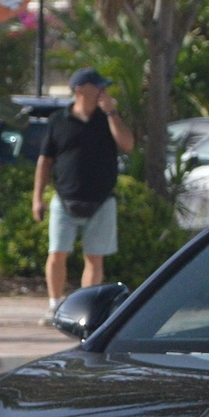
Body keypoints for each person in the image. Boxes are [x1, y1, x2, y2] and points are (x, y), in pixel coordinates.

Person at [32, 68, 135, 303]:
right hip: (64, 198)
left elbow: (127, 144)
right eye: (98, 87)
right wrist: (37, 197)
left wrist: (112, 114)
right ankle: (55, 306)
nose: (103, 91)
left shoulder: (107, 119)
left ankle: (86, 306)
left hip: (101, 200)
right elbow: (45, 161)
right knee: (57, 253)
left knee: (95, 257)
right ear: (80, 91)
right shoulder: (59, 120)